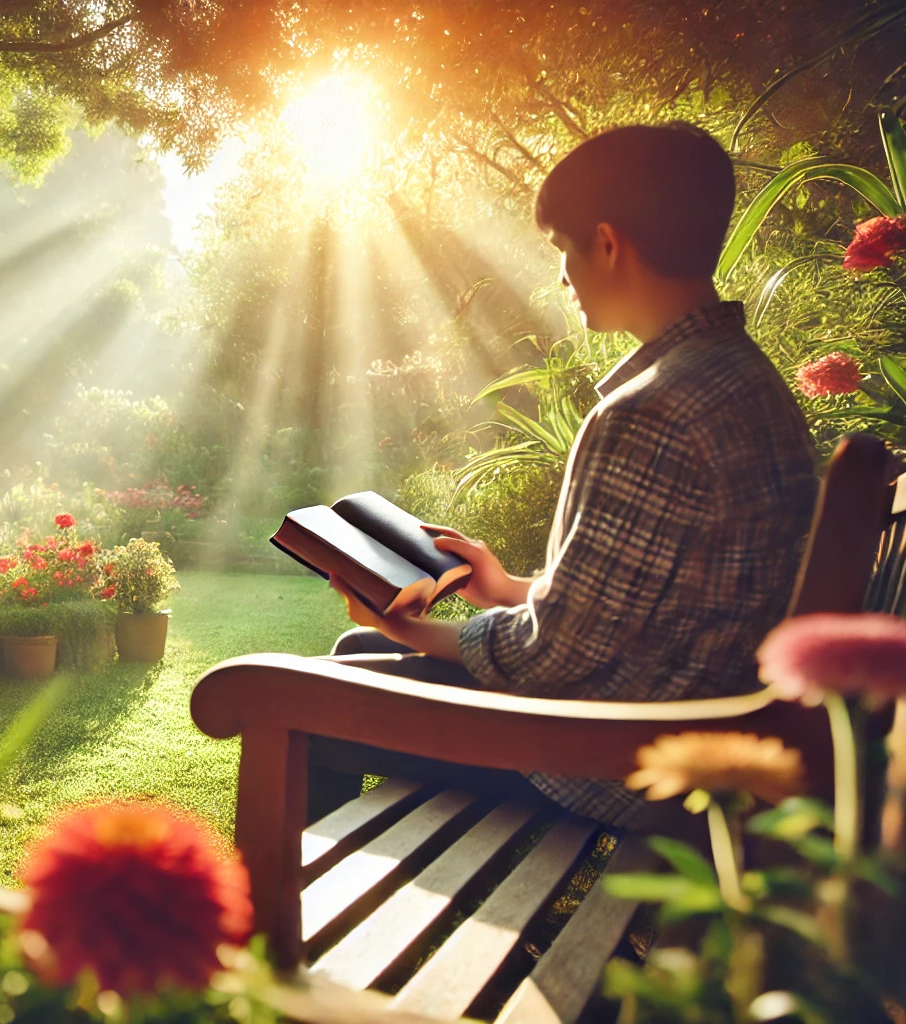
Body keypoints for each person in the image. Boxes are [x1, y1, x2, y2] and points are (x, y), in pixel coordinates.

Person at [311, 122, 819, 827]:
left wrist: (408, 630)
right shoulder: (744, 380)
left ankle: (295, 900)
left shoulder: (653, 411)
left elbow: (553, 654)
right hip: (678, 719)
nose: (560, 275)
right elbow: (644, 607)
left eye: (561, 248)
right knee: (352, 654)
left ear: (608, 245)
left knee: (314, 699)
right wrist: (507, 589)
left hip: (616, 756)